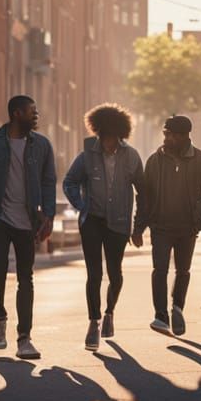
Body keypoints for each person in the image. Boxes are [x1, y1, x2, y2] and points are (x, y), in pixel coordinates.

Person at [0, 95, 57, 361]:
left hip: (27, 220)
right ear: (17, 113)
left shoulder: (41, 145)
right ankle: (0, 315)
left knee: (25, 278)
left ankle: (24, 338)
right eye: (32, 111)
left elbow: (48, 181)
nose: (36, 115)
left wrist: (48, 215)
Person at [62, 103, 144, 352]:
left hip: (119, 222)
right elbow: (69, 182)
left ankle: (109, 312)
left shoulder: (131, 156)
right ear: (98, 133)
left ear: (120, 135)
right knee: (94, 274)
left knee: (115, 273)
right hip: (93, 221)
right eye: (103, 137)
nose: (107, 143)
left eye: (111, 138)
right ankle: (93, 322)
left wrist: (138, 227)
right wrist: (81, 205)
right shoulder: (87, 154)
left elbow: (144, 192)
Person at [133, 115, 201, 336]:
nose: (166, 138)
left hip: (187, 226)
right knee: (159, 270)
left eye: (170, 135)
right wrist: (138, 227)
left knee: (183, 271)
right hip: (160, 226)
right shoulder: (155, 160)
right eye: (165, 134)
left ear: (183, 136)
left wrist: (199, 209)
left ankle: (177, 307)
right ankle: (160, 315)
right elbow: (144, 196)